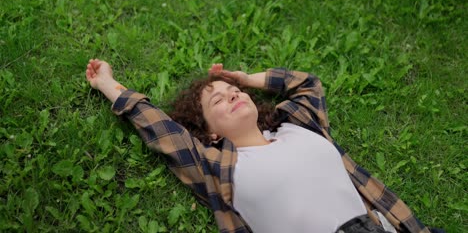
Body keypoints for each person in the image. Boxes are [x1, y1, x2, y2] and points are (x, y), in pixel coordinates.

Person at [86, 59, 443, 233]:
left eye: (234, 92)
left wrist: (245, 77)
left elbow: (307, 85)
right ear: (209, 133)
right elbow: (158, 127)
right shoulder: (218, 164)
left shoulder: (297, 126)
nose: (234, 96)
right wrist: (107, 83)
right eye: (218, 102)